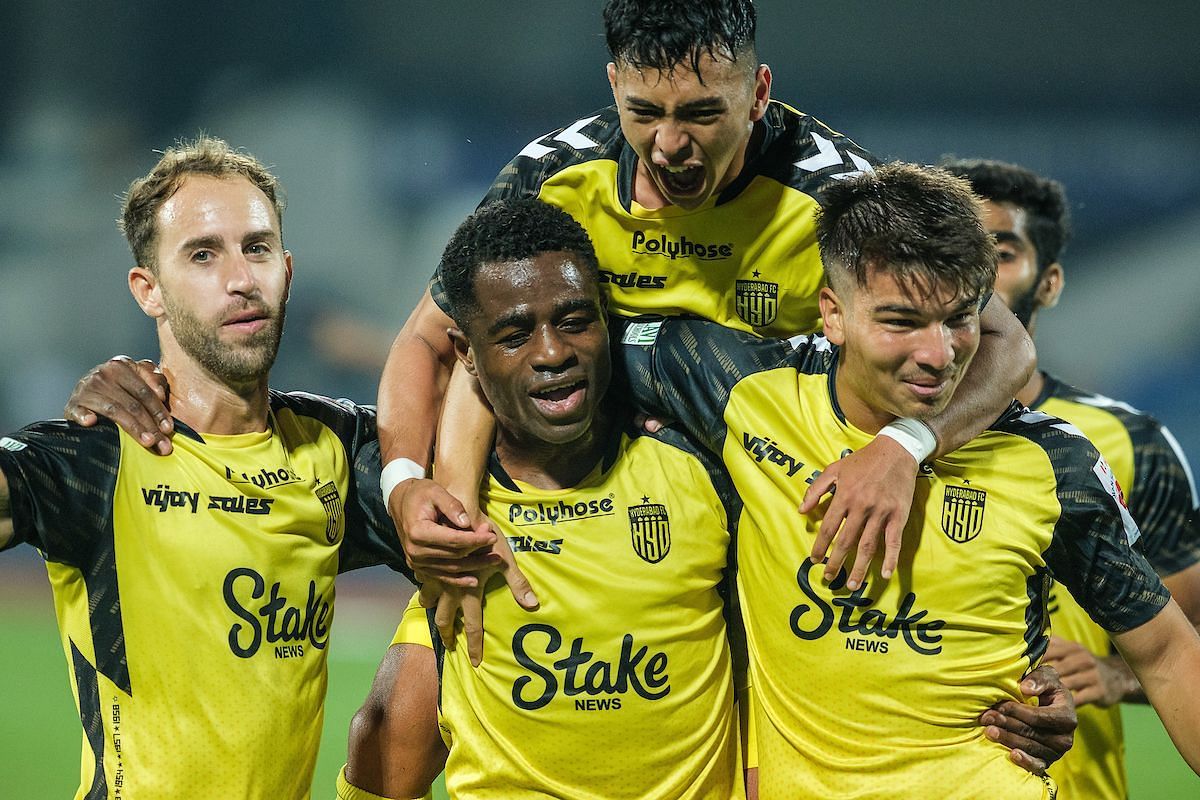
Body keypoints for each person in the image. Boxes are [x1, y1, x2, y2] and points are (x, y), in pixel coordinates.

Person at [377, 0, 1035, 602]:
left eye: (700, 113)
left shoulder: (837, 196)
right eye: (644, 112)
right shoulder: (559, 174)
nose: (669, 144)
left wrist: (902, 447)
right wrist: (408, 483)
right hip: (590, 491)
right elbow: (431, 339)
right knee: (405, 711)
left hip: (783, 514)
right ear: (613, 87)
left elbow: (1007, 347)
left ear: (757, 94)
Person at [614, 162, 1200, 797]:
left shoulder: (1052, 463)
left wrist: (904, 445)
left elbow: (1166, 651)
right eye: (900, 321)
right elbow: (539, 356)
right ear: (832, 315)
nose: (938, 354)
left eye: (958, 319)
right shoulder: (741, 390)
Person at [0, 136, 405, 798]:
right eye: (202, 255)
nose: (241, 279)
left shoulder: (334, 445)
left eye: (257, 247)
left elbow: (495, 496)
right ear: (149, 291)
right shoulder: (99, 454)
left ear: (287, 270)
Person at [341, 198, 744, 799]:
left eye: (575, 321)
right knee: (387, 724)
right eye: (514, 334)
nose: (552, 352)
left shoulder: (703, 465)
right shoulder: (431, 501)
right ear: (467, 352)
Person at [942, 157, 1200, 800]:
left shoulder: (1128, 444)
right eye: (956, 248)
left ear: (1049, 282)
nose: (976, 273)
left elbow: (1180, 645)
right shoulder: (856, 434)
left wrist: (1115, 675)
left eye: (1000, 253)